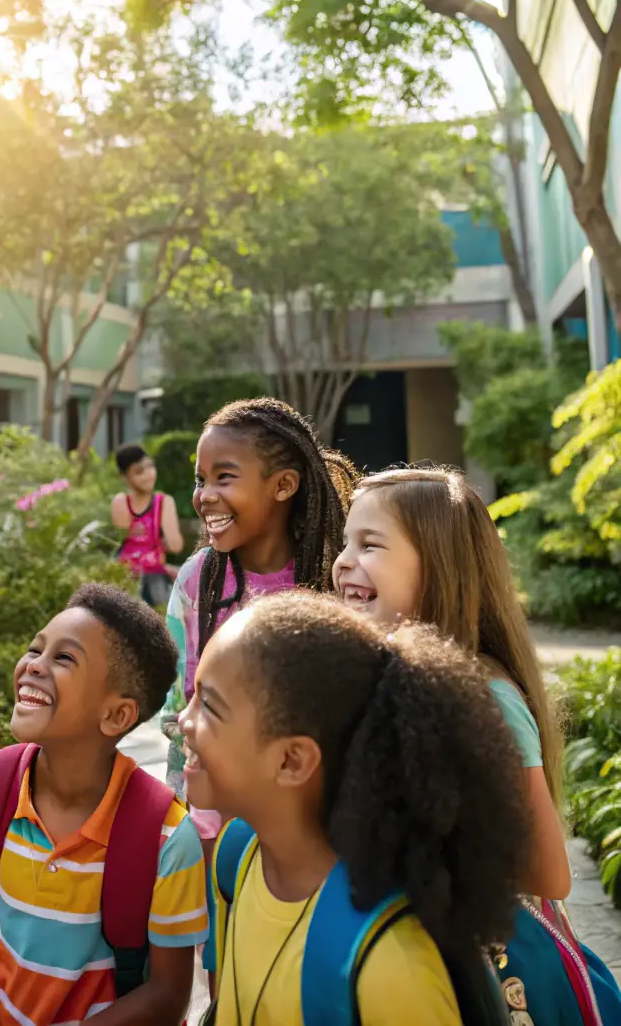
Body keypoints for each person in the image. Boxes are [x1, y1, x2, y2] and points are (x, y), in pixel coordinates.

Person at [181, 592, 529, 1026]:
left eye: (209, 705)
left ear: (292, 761)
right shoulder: (236, 857)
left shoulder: (392, 966)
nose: (183, 720)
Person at [0, 582, 207, 1026]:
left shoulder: (168, 837)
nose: (33, 665)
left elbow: (168, 996)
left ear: (116, 715)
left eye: (64, 658)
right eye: (36, 648)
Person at [332, 465, 571, 901]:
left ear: (440, 567)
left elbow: (548, 876)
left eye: (369, 545)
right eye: (346, 542)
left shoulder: (489, 699)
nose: (344, 560)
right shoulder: (371, 675)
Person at [161, 397, 357, 846]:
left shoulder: (331, 579)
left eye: (224, 477)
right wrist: (184, 813)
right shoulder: (197, 584)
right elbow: (177, 711)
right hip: (209, 821)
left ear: (284, 485)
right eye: (200, 479)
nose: (204, 496)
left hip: (310, 822)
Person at [111, 443, 184, 607]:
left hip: (154, 574)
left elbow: (176, 545)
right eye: (139, 471)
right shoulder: (121, 502)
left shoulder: (164, 502)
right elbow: (121, 536)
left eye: (150, 467)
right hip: (125, 573)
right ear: (125, 478)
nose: (148, 474)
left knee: (159, 599)